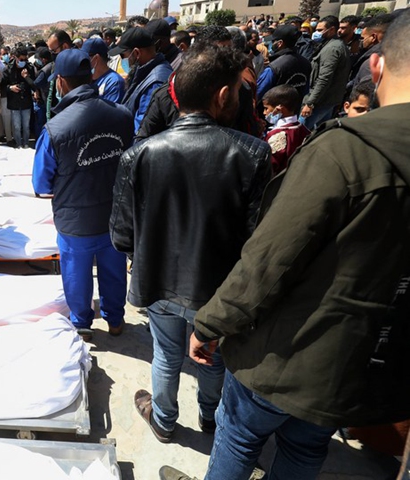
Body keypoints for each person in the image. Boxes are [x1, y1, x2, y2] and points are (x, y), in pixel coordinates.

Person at [160, 11, 410, 480]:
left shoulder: (345, 152)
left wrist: (211, 324)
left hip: (284, 359)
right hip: (354, 372)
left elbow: (269, 259)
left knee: (238, 436)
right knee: (302, 453)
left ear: (375, 66)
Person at [110, 44, 272, 444]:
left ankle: (164, 420)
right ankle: (211, 417)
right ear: (222, 95)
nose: (239, 98)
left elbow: (121, 234)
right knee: (211, 354)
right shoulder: (252, 153)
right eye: (236, 90)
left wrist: (145, 256)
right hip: (217, 290)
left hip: (158, 281)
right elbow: (257, 238)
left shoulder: (139, 154)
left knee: (166, 353)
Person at [32, 49, 133, 341]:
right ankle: (115, 321)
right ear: (91, 76)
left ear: (61, 82)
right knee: (114, 271)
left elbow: (41, 183)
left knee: (76, 276)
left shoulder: (55, 128)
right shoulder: (122, 115)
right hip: (114, 215)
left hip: (75, 220)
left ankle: (82, 324)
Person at [112, 27, 173, 132]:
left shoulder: (156, 82)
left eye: (123, 55)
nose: (122, 60)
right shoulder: (143, 72)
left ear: (136, 53)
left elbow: (141, 130)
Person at [301, 16, 350, 129]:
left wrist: (310, 103)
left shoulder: (332, 49)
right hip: (327, 99)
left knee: (301, 131)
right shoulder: (334, 45)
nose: (316, 33)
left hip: (320, 101)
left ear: (332, 30)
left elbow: (324, 78)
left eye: (320, 30)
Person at [262, 85, 311, 175]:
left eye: (266, 108)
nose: (264, 112)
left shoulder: (277, 136)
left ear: (280, 109)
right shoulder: (305, 131)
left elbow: (268, 167)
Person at [256, 25, 312, 101]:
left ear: (279, 43)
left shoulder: (274, 67)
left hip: (274, 110)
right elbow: (306, 90)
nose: (271, 44)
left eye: (273, 41)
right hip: (294, 109)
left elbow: (258, 93)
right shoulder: (305, 62)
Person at [349, 14, 394, 91]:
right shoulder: (392, 55)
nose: (360, 41)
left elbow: (365, 93)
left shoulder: (373, 62)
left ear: (373, 37)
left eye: (362, 38)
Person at [4, 48, 35, 148]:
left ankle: (26, 143)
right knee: (17, 126)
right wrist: (11, 88)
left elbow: (33, 85)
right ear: (15, 58)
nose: (23, 62)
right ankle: (18, 144)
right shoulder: (8, 68)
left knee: (26, 126)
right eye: (21, 60)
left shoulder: (29, 68)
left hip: (26, 101)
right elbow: (2, 86)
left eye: (25, 60)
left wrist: (26, 77)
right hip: (14, 102)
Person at [83, 38, 125, 103]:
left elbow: (110, 111)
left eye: (85, 57)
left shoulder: (114, 82)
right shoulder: (87, 79)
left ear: (96, 58)